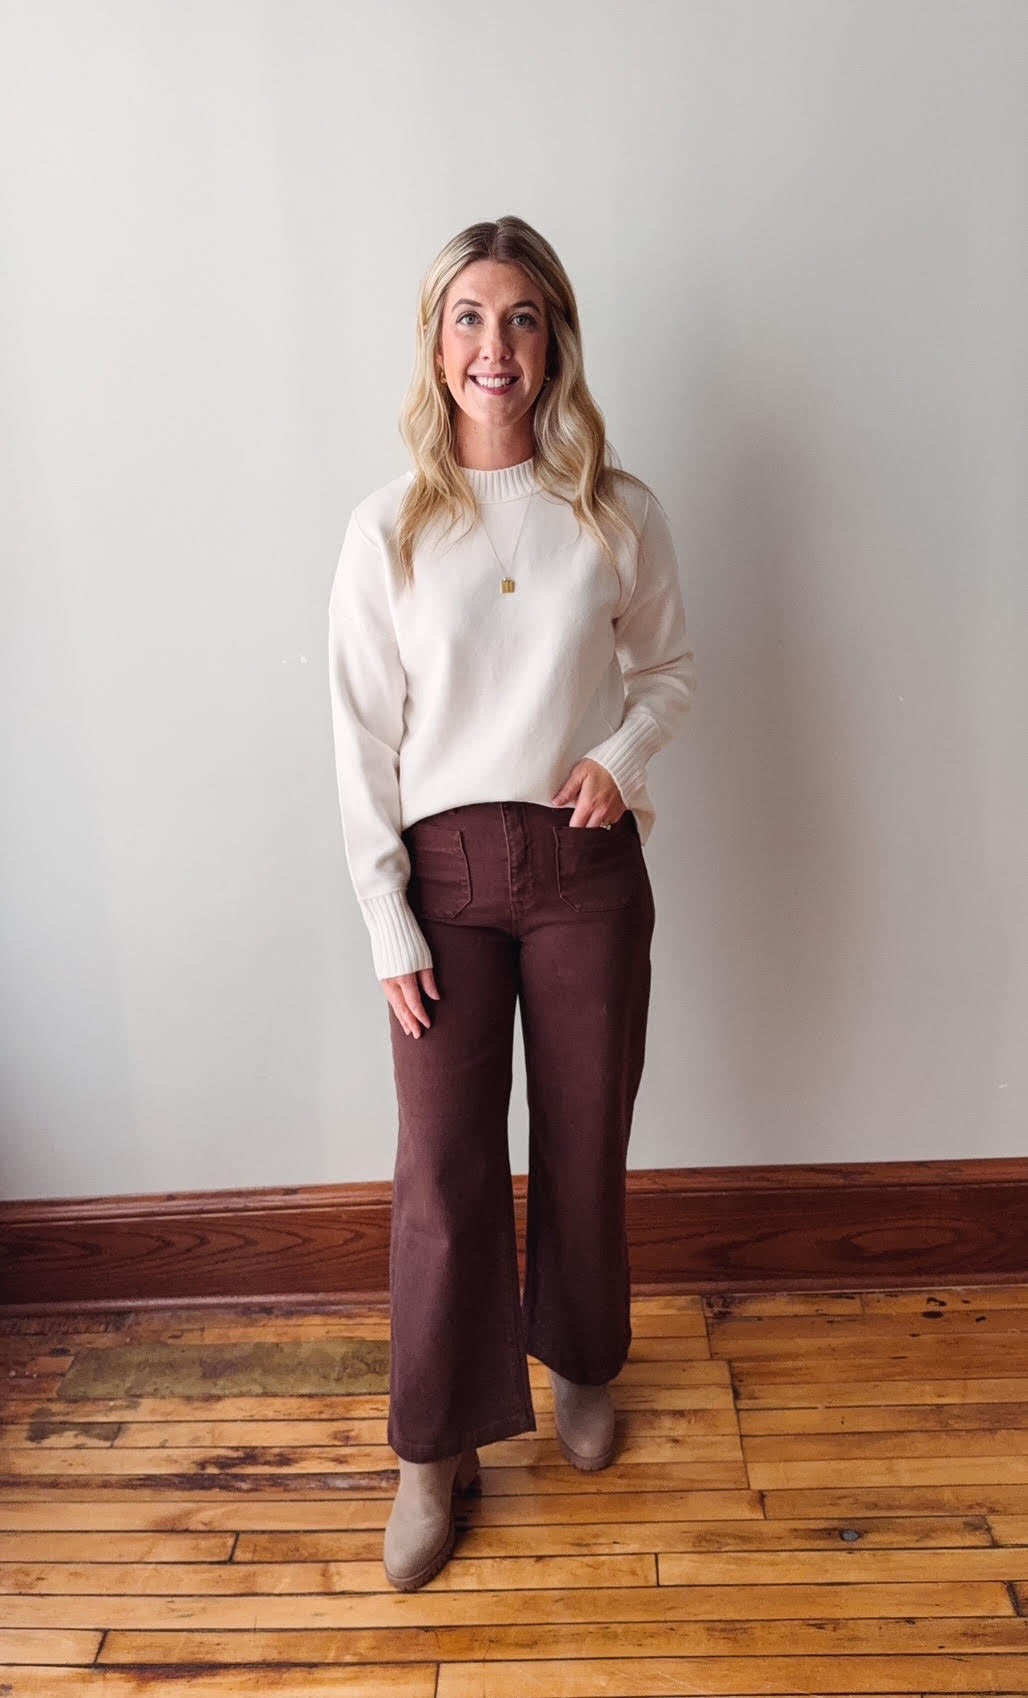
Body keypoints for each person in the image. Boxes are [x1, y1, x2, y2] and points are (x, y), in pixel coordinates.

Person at [327, 215, 697, 1591]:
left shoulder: (617, 507)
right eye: (472, 318)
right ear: (438, 343)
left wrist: (621, 753)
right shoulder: (388, 529)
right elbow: (361, 742)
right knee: (441, 1170)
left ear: (557, 342)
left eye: (525, 318)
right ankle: (436, 1445)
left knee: (587, 1133)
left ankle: (585, 1360)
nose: (498, 346)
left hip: (587, 866)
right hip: (447, 879)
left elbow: (669, 671)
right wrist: (385, 921)